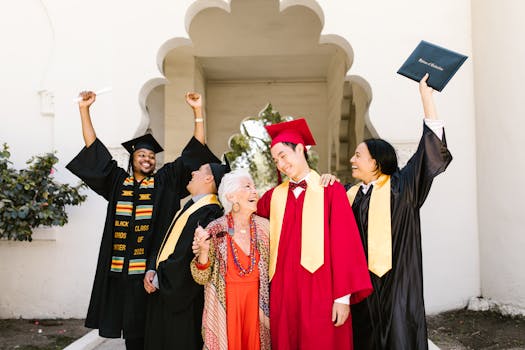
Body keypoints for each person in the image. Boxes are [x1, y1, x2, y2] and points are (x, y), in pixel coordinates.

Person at [66, 91, 219, 349]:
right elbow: (94, 151)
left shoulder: (166, 181)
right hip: (119, 274)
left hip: (151, 273)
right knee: (132, 337)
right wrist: (84, 110)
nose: (147, 159)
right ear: (132, 158)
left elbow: (193, 153)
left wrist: (197, 113)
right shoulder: (117, 182)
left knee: (151, 334)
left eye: (151, 156)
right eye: (142, 155)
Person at [346, 73, 453, 350]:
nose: (352, 160)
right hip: (362, 291)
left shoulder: (404, 188)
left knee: (400, 339)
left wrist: (426, 97)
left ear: (377, 161)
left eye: (358, 155)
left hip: (399, 287)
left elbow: (430, 152)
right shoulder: (350, 196)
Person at [256, 118, 373, 350]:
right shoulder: (272, 197)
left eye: (283, 155)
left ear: (300, 149)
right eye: (275, 159)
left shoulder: (330, 190)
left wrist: (342, 298)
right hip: (284, 293)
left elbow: (345, 245)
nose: (280, 163)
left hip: (322, 292)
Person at [143, 161, 229, 350]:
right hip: (166, 287)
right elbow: (170, 244)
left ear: (209, 178)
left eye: (198, 170)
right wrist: (153, 268)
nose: (193, 172)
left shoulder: (210, 213)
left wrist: (160, 278)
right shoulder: (191, 206)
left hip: (183, 299)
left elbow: (185, 256)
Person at [191, 169, 271, 350]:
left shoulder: (266, 228)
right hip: (225, 307)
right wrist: (203, 251)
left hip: (257, 307)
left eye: (254, 187)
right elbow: (200, 277)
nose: (254, 191)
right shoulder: (214, 229)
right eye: (247, 187)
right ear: (231, 196)